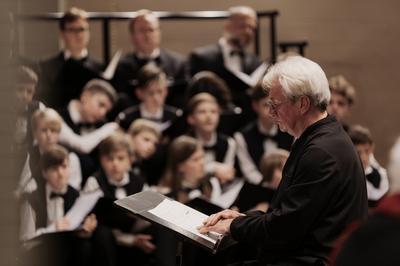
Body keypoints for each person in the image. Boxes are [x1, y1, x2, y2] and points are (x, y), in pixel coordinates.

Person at [198, 56, 368, 265]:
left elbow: (284, 230)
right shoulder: (323, 138)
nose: (270, 113)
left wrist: (234, 226)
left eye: (275, 104)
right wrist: (241, 218)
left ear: (303, 104)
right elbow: (288, 216)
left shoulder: (321, 153)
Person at [19, 145, 97, 266]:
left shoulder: (75, 195)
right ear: (44, 173)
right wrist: (53, 229)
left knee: (85, 245)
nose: (60, 173)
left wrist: (85, 229)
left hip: (68, 250)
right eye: (55, 169)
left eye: (64, 167)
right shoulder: (32, 198)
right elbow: (26, 241)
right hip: (40, 252)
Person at [84, 132, 155, 266]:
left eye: (120, 158)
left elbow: (147, 217)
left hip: (133, 232)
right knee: (102, 235)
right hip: (107, 236)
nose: (115, 163)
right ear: (101, 160)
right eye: (110, 159)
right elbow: (92, 219)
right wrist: (130, 240)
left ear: (130, 159)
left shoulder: (138, 182)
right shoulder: (95, 181)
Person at [189, 6, 264, 130]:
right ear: (227, 25)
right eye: (243, 26)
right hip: (213, 126)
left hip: (245, 127)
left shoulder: (255, 61)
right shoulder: (201, 57)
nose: (248, 32)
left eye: (252, 28)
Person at [112, 9, 187, 108]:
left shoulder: (177, 64)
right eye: (142, 31)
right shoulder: (122, 67)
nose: (147, 35)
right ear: (132, 35)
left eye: (151, 30)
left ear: (159, 32)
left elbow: (182, 99)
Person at [37, 7, 103, 110]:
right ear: (62, 34)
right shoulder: (47, 67)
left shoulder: (100, 68)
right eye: (72, 30)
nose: (79, 35)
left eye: (82, 29)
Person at [234, 83, 293, 184]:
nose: (271, 111)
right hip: (259, 189)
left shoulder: (290, 130)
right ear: (255, 106)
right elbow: (249, 171)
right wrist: (266, 184)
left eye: (274, 105)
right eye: (266, 105)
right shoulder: (242, 137)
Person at [16, 108, 82, 196]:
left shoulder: (71, 158)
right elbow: (20, 188)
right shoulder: (26, 155)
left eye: (53, 130)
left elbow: (73, 192)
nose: (49, 135)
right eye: (44, 130)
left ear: (59, 133)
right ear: (35, 133)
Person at [116, 64, 182, 134]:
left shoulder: (176, 117)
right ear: (139, 93)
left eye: (160, 91)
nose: (156, 98)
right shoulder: (126, 119)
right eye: (151, 93)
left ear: (166, 91)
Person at [348, 125, 389, 208]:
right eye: (358, 153)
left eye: (366, 151)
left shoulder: (380, 175)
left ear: (371, 149)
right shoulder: (346, 177)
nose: (363, 158)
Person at [127, 118, 163, 185]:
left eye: (155, 144)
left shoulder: (145, 167)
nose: (151, 147)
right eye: (146, 140)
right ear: (131, 137)